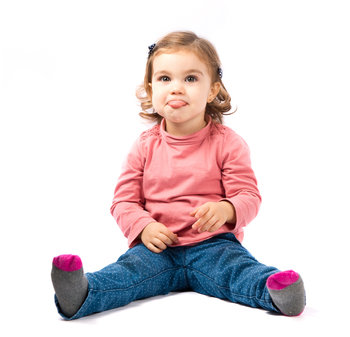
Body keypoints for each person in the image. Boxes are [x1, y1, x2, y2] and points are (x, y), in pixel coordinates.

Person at [51, 31, 306, 320]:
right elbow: (123, 202)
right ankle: (83, 294)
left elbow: (248, 196)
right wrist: (144, 227)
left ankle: (276, 294)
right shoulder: (144, 146)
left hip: (214, 246)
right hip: (157, 248)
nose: (176, 88)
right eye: (164, 79)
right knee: (126, 273)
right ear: (150, 89)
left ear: (212, 90)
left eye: (191, 79)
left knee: (239, 271)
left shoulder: (228, 143)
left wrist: (226, 209)